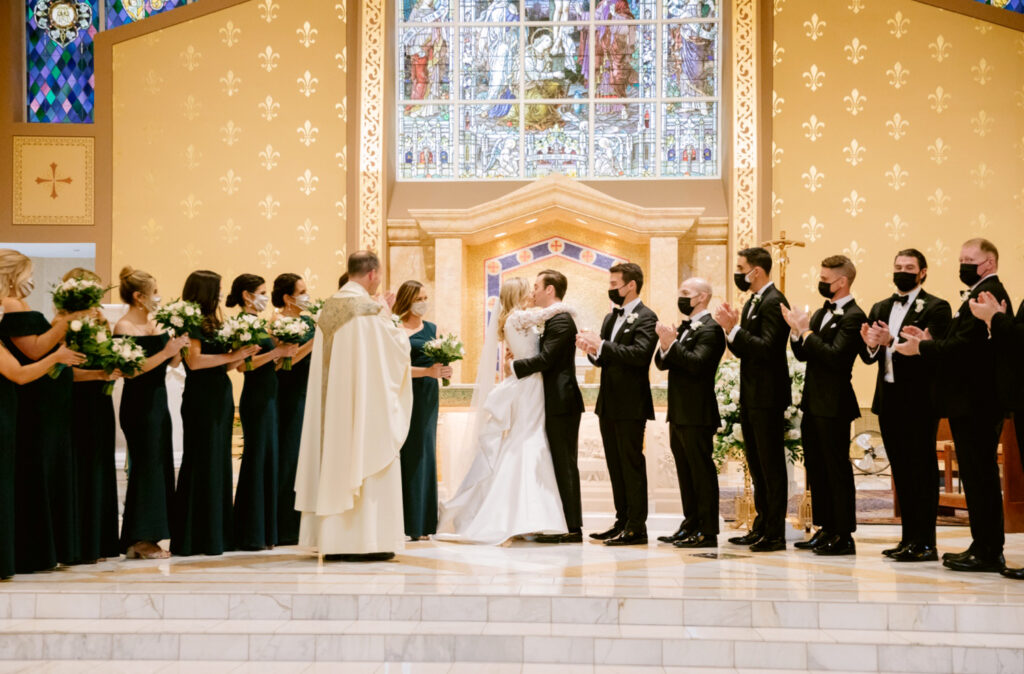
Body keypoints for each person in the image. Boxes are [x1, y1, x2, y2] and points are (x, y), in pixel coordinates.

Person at [894, 238, 1011, 573]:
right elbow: (962, 345)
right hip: (968, 401)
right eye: (961, 258)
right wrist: (931, 342)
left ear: (988, 262)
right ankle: (982, 544)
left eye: (969, 259)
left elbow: (968, 349)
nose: (963, 264)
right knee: (976, 478)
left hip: (977, 401)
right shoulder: (978, 292)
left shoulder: (988, 293)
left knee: (981, 478)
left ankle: (989, 549)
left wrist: (923, 350)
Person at [294, 251, 413, 561]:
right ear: (372, 274)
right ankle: (367, 541)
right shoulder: (368, 310)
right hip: (364, 406)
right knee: (367, 455)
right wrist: (388, 315)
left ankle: (335, 541)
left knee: (334, 456)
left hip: (331, 410)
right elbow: (396, 350)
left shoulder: (329, 308)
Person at [435, 277, 571, 544]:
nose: (533, 292)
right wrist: (569, 308)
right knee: (527, 440)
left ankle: (525, 512)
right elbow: (549, 312)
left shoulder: (515, 319)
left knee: (526, 438)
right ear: (518, 294)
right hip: (529, 384)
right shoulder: (517, 318)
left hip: (530, 383)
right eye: (528, 289)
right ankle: (527, 514)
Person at [860, 250, 951, 562]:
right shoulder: (880, 306)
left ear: (922, 272)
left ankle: (926, 542)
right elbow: (872, 356)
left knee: (921, 472)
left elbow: (932, 354)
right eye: (898, 267)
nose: (902, 272)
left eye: (909, 268)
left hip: (919, 401)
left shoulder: (937, 308)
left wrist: (890, 340)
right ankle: (907, 538)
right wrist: (871, 344)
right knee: (900, 472)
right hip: (888, 399)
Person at [0, 250, 88, 572]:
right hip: (27, 402)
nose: (31, 280)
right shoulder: (8, 306)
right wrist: (63, 331)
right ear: (14, 275)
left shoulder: (16, 305)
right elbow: (31, 354)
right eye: (28, 273)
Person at [171, 271, 260, 557]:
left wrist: (243, 355)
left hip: (221, 394)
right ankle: (194, 536)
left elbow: (224, 365)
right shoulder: (190, 320)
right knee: (201, 460)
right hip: (201, 398)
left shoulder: (215, 321)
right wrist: (232, 356)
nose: (222, 294)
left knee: (218, 462)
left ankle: (217, 535)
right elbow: (194, 362)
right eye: (218, 289)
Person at [783, 256, 867, 556]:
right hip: (813, 401)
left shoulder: (855, 316)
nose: (821, 282)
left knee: (836, 469)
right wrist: (796, 332)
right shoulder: (820, 313)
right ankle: (825, 527)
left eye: (825, 278)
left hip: (835, 402)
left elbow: (835, 356)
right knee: (816, 468)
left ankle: (844, 533)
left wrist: (806, 333)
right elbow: (804, 355)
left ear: (841, 282)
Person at [713, 247, 791, 552]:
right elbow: (746, 349)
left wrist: (734, 329)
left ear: (756, 271)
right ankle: (761, 525)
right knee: (757, 464)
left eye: (741, 267)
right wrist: (732, 331)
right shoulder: (754, 301)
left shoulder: (774, 301)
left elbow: (769, 347)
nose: (739, 273)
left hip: (768, 395)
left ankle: (775, 532)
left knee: (771, 465)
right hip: (752, 393)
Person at [577, 262, 658, 546]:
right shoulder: (610, 318)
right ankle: (621, 520)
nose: (611, 290)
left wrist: (601, 346)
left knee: (631, 463)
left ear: (631, 285)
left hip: (632, 403)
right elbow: (604, 358)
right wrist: (591, 349)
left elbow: (639, 354)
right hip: (608, 402)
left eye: (614, 285)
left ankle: (637, 526)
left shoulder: (647, 317)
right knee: (614, 464)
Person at [114, 267, 190, 560]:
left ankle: (151, 534)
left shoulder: (157, 325)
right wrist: (165, 351)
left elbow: (171, 365)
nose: (158, 298)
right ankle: (139, 538)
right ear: (138, 296)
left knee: (159, 467)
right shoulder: (123, 327)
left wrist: (178, 346)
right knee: (145, 468)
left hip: (159, 402)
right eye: (154, 292)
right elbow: (131, 372)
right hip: (138, 404)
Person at [510, 270, 585, 544]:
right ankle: (558, 522)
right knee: (554, 463)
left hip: (562, 401)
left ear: (550, 290)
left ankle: (572, 527)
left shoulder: (562, 320)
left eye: (537, 286)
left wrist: (514, 366)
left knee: (564, 463)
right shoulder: (551, 319)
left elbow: (547, 359)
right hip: (550, 400)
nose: (534, 291)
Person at [654, 277, 725, 549]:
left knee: (701, 471)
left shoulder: (711, 329)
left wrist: (673, 345)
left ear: (703, 297)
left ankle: (707, 531)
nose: (681, 297)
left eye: (686, 293)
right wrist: (665, 345)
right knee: (685, 471)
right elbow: (662, 363)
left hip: (698, 412)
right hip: (679, 411)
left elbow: (697, 365)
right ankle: (690, 522)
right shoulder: (684, 328)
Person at [228, 274, 298, 551]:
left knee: (268, 459)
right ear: (247, 295)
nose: (264, 296)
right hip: (256, 398)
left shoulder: (257, 323)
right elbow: (242, 366)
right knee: (257, 460)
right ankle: (251, 532)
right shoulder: (241, 324)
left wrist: (282, 356)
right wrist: (275, 352)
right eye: (260, 292)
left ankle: (265, 530)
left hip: (269, 395)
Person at [65, 268, 121, 564]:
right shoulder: (64, 324)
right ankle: (79, 541)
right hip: (76, 402)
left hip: (100, 401)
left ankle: (101, 539)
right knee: (81, 465)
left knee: (100, 464)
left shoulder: (101, 321)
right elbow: (63, 371)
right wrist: (100, 373)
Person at [393, 281, 450, 542]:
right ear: (407, 300)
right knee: (409, 452)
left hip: (428, 394)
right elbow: (394, 368)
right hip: (405, 394)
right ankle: (407, 521)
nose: (424, 302)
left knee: (426, 451)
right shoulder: (394, 328)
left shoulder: (432, 328)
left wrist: (443, 369)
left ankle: (425, 522)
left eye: (426, 297)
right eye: (419, 298)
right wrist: (427, 371)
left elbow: (436, 362)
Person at [270, 273, 316, 546]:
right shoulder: (276, 322)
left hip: (309, 392)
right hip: (288, 393)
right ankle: (285, 526)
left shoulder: (309, 321)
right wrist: (314, 340)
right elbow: (281, 362)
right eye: (302, 291)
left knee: (306, 458)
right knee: (290, 456)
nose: (306, 295)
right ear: (288, 297)